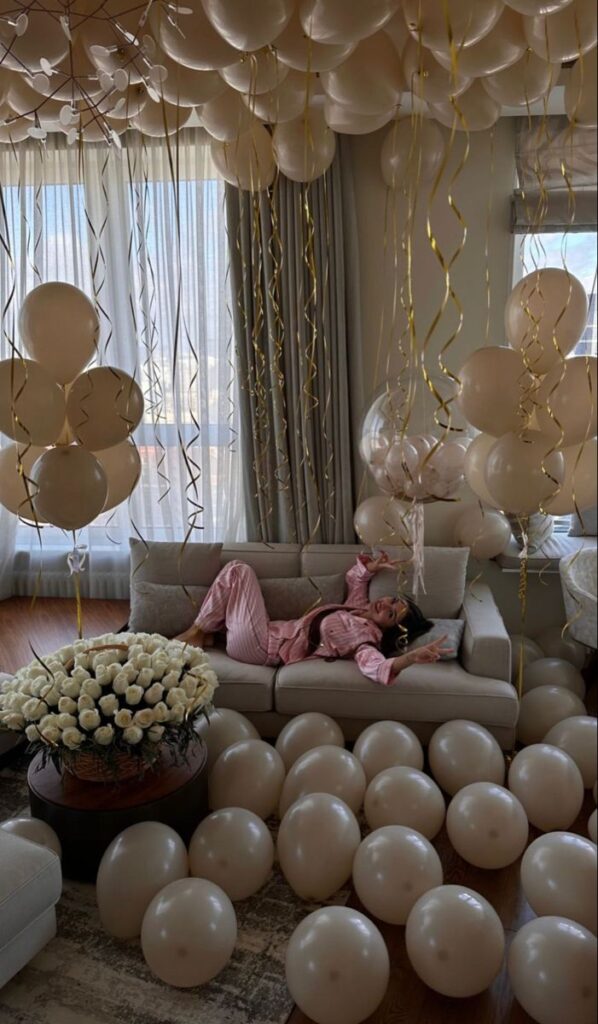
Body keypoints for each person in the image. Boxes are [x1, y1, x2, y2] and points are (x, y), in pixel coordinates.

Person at [176, 552, 452, 686]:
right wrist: (373, 567)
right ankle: (208, 635)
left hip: (262, 648)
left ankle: (196, 632)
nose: (385, 605)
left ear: (388, 629)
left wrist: (410, 657)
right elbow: (355, 579)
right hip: (264, 632)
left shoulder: (365, 639)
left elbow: (375, 666)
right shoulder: (357, 609)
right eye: (393, 600)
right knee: (237, 573)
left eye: (390, 614)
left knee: (238, 570)